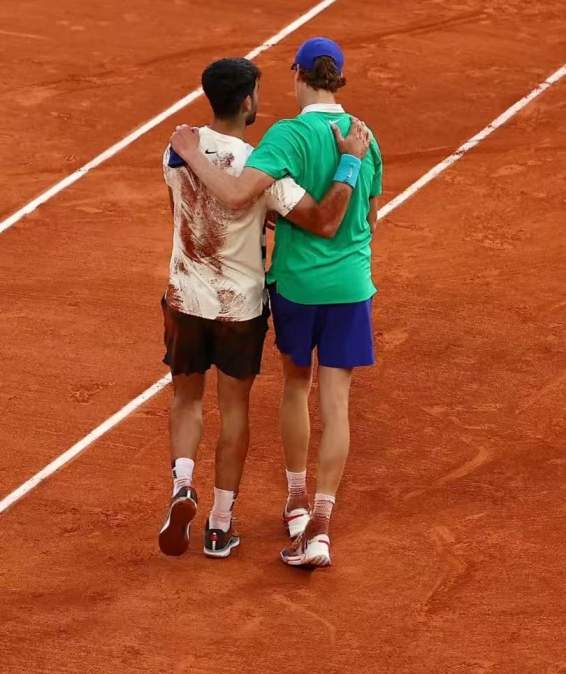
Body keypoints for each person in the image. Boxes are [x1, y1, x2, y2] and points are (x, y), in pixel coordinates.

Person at [170, 38, 383, 569]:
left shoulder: (279, 137)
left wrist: (195, 155)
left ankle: (290, 498)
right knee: (335, 403)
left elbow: (231, 197)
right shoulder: (365, 137)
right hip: (347, 286)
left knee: (294, 385)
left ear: (298, 76)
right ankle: (314, 524)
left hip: (284, 287)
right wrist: (347, 166)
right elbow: (362, 219)